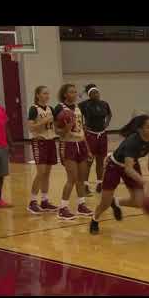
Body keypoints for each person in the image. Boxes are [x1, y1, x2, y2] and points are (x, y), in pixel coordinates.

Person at [89, 115, 149, 235]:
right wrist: (144, 182)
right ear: (140, 129)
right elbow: (128, 170)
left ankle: (115, 202)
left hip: (131, 163)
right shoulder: (133, 142)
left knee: (138, 202)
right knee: (104, 203)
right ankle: (94, 219)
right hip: (114, 166)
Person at [54, 84, 93, 220]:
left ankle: (81, 205)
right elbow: (56, 131)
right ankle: (63, 208)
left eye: (75, 91)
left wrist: (87, 149)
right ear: (65, 94)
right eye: (71, 92)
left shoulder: (78, 108)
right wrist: (66, 128)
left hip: (81, 143)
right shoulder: (60, 108)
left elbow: (82, 129)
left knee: (81, 179)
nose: (75, 94)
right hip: (68, 144)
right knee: (72, 178)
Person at [27, 86, 59, 214]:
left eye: (48, 93)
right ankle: (32, 202)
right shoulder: (34, 109)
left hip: (51, 141)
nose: (47, 96)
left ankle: (44, 201)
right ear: (38, 95)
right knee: (40, 173)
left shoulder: (51, 109)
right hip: (39, 142)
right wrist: (44, 121)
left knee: (47, 173)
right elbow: (31, 127)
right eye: (44, 93)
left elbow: (55, 125)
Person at [78, 84, 112, 195]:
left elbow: (110, 114)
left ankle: (100, 184)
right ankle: (85, 186)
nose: (96, 94)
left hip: (102, 135)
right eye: (93, 93)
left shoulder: (104, 104)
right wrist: (82, 125)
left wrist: (106, 124)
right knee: (89, 161)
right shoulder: (84, 105)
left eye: (97, 92)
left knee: (100, 161)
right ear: (89, 95)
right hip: (90, 135)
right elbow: (76, 114)